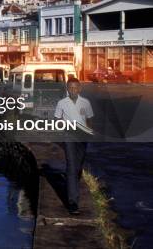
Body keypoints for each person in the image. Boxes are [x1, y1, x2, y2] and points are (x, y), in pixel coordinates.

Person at [54, 77, 94, 215]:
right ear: (67, 89)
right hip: (68, 137)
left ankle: (73, 184)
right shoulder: (61, 103)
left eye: (75, 88)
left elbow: (89, 120)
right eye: (70, 88)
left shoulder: (86, 103)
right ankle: (73, 202)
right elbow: (57, 120)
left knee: (77, 167)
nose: (73, 90)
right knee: (71, 166)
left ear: (80, 89)